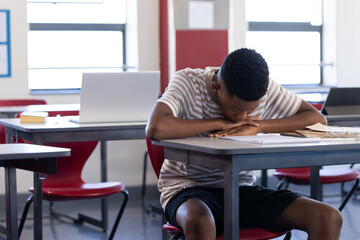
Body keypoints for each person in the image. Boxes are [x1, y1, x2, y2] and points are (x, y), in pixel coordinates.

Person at [146, 48, 342, 240]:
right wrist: (219, 123)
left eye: (251, 110)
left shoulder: (262, 88)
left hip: (240, 189)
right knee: (201, 221)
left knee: (329, 218)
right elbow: (155, 127)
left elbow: (317, 119)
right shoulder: (187, 82)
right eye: (235, 109)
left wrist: (259, 126)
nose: (242, 117)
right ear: (216, 88)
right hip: (187, 189)